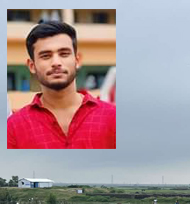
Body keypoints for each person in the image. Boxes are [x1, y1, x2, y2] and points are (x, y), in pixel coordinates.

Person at [7, 21, 115, 149]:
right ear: (32, 66)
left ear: (77, 60)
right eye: (46, 56)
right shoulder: (14, 127)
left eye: (64, 54)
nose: (56, 62)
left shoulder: (112, 117)